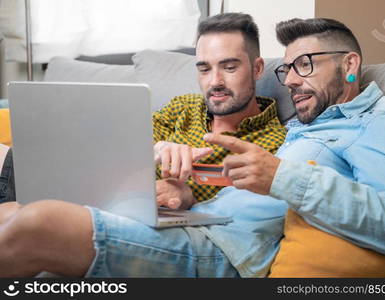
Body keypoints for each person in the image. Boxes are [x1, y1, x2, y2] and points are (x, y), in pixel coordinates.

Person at [0, 13, 288, 277]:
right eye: (204, 68)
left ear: (257, 67)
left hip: (144, 226)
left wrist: (188, 195)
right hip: (102, 190)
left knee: (25, 221)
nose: (215, 81)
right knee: (10, 210)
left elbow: (237, 214)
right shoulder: (184, 107)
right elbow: (122, 143)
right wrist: (157, 149)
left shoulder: (274, 144)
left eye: (229, 67)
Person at [204, 18, 385, 277]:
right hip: (199, 222)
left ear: (349, 64)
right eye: (286, 69)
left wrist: (283, 178)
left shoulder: (377, 122)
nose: (290, 81)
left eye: (304, 64)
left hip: (220, 251)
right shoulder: (304, 123)